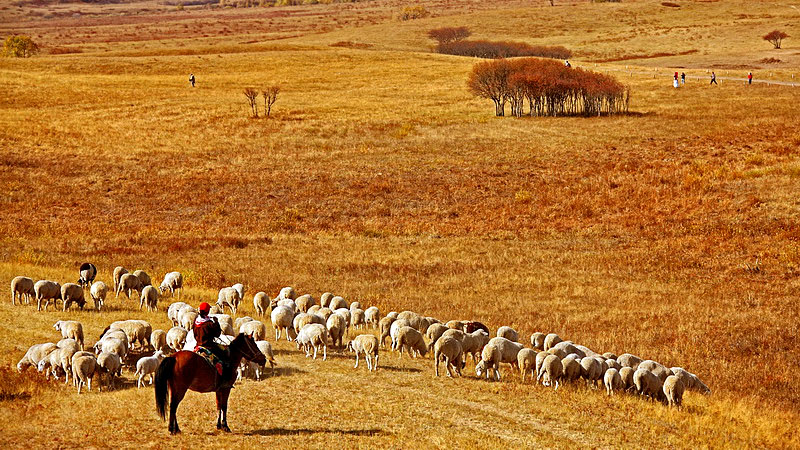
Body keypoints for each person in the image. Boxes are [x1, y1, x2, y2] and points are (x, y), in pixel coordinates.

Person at [193, 302, 233, 388]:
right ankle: (224, 380)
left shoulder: (196, 322)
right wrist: (216, 323)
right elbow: (217, 334)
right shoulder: (209, 323)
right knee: (225, 356)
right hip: (209, 346)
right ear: (207, 311)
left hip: (198, 346)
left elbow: (194, 335)